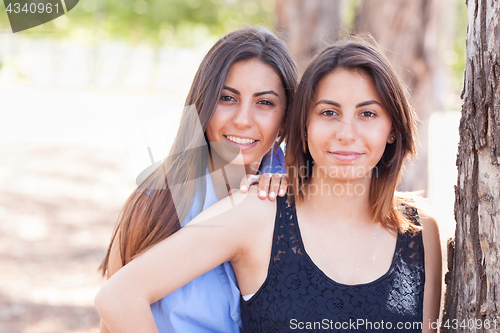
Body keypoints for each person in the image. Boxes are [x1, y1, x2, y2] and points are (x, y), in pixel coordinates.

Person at [95, 36, 442, 333]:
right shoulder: (250, 209)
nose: (346, 133)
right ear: (303, 129)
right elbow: (118, 297)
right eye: (329, 112)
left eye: (368, 113)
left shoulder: (421, 231)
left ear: (393, 128)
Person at [98, 27, 297, 333]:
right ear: (203, 102)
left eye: (264, 103)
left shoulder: (298, 196)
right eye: (227, 98)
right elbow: (112, 320)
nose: (243, 119)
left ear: (285, 117)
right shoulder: (156, 199)